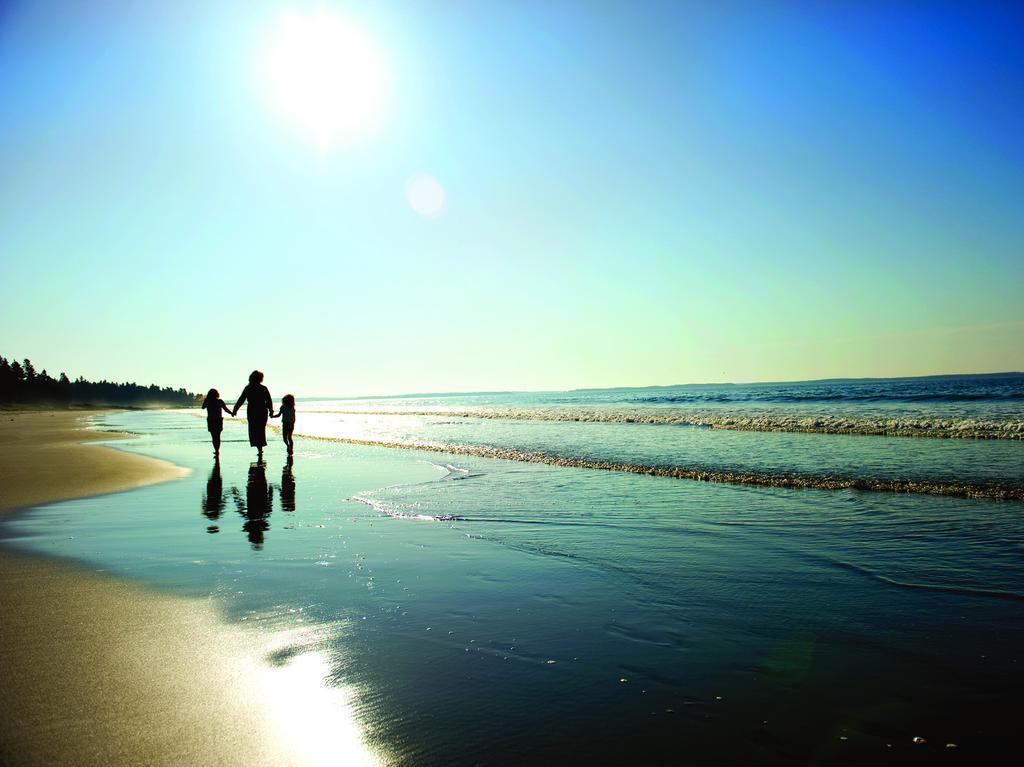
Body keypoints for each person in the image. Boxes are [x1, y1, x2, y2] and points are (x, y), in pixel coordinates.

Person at [231, 370, 273, 462]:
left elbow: (241, 399)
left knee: (254, 430)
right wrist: (271, 410)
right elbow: (269, 400)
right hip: (262, 410)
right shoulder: (263, 388)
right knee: (261, 430)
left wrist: (235, 409)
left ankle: (259, 449)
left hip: (252, 410)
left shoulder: (248, 388)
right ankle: (260, 449)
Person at [201, 388, 231, 456]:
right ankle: (217, 450)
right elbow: (226, 409)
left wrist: (206, 400)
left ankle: (216, 450)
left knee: (214, 437)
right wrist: (232, 413)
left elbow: (203, 407)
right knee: (218, 436)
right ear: (217, 394)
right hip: (218, 420)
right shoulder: (220, 401)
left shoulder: (207, 401)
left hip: (211, 420)